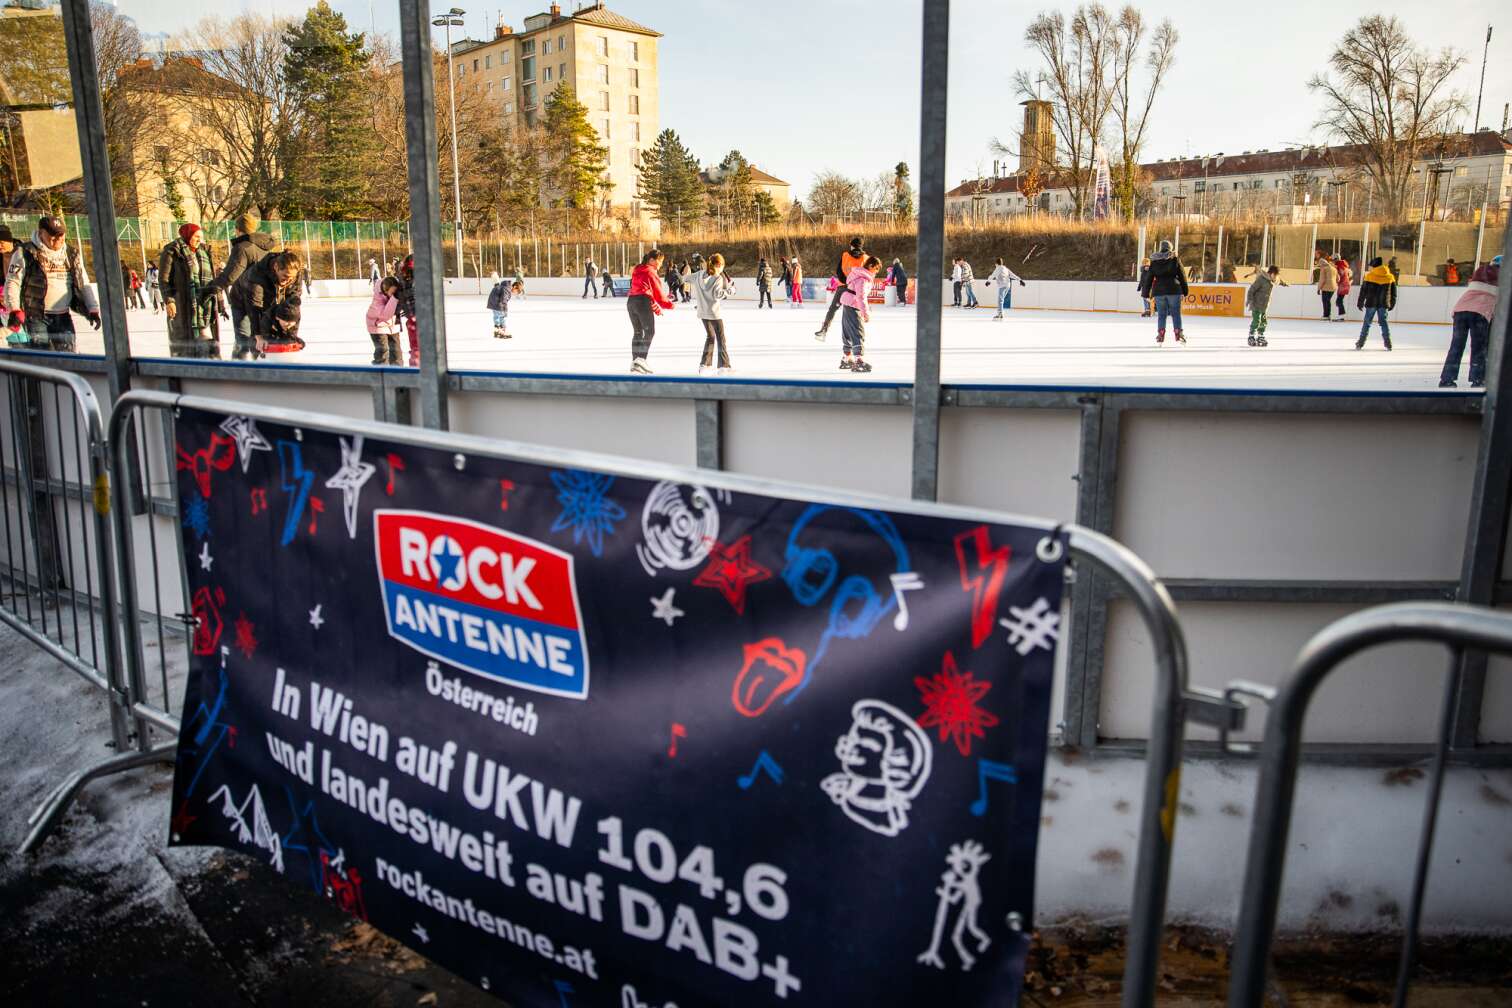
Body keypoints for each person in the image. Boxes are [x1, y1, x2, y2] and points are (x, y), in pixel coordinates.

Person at [4, 216, 100, 352]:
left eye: (61, 236)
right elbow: (13, 282)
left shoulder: (71, 254)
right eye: (52, 236)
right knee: (43, 356)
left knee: (68, 355)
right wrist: (14, 309)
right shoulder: (25, 252)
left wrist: (92, 308)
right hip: (36, 316)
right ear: (41, 233)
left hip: (63, 315)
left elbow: (83, 281)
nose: (58, 240)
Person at [210, 213, 276, 360]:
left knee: (243, 338)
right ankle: (259, 366)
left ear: (238, 229)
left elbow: (229, 276)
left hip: (242, 297)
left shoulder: (242, 247)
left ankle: (239, 369)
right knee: (258, 336)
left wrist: (209, 288)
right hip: (262, 298)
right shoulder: (265, 246)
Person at [158, 223, 224, 358]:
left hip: (205, 305)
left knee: (208, 342)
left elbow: (212, 279)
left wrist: (220, 300)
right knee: (185, 344)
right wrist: (169, 300)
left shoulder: (204, 251)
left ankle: (210, 369)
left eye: (201, 237)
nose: (199, 240)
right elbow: (164, 279)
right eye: (196, 236)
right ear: (187, 235)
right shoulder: (173, 251)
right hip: (182, 304)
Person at [1439, 256, 1499, 387]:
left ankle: (1447, 379)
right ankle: (1477, 379)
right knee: (1479, 347)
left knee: (1456, 346)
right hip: (1480, 314)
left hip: (1460, 311)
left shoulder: (1480, 272)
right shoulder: (1502, 278)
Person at [234, 250, 305, 357]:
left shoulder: (296, 273)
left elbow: (294, 304)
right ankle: (242, 364)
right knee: (245, 337)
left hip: (269, 298)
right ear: (276, 267)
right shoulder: (257, 275)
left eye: (291, 278)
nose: (288, 280)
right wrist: (258, 337)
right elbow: (254, 308)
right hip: (241, 300)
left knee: (276, 326)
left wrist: (292, 334)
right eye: (285, 276)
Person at [627, 249, 675, 374]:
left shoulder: (638, 269)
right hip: (642, 302)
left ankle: (635, 361)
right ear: (652, 260)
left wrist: (654, 306)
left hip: (631, 302)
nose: (660, 265)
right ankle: (641, 360)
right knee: (650, 332)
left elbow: (642, 289)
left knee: (638, 332)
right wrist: (669, 305)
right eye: (659, 262)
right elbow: (658, 293)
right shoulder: (650, 271)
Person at [815, 237, 868, 341]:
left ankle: (824, 329)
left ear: (852, 245)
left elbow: (839, 271)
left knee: (833, 308)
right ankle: (858, 336)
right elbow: (868, 274)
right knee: (856, 311)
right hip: (857, 289)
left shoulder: (845, 255)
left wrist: (847, 281)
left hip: (843, 286)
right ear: (861, 246)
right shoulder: (866, 258)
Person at [1138, 239, 1188, 345]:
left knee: (1161, 315)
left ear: (1161, 248)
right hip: (1174, 290)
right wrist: (1185, 291)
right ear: (1170, 248)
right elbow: (1182, 275)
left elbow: (1149, 278)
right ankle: (1178, 333)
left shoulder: (1154, 261)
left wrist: (1145, 293)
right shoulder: (1174, 259)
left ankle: (1161, 334)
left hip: (1159, 291)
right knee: (1175, 313)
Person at [692, 252, 733, 375]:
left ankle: (705, 365)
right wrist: (730, 291)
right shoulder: (718, 278)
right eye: (722, 266)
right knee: (721, 338)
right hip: (714, 313)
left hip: (703, 313)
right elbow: (717, 295)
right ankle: (724, 366)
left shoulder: (701, 275)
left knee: (711, 337)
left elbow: (686, 278)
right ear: (719, 265)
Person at [839, 255, 882, 373]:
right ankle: (858, 360)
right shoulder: (863, 278)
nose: (877, 272)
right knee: (858, 331)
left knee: (847, 330)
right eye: (876, 268)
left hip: (848, 302)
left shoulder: (858, 275)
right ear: (870, 266)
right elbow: (861, 296)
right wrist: (865, 313)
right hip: (853, 304)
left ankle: (847, 358)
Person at [1354, 256, 1396, 351]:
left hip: (1371, 303)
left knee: (1367, 323)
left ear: (1374, 266)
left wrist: (1360, 302)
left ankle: (1360, 343)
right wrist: (1392, 303)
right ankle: (1388, 343)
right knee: (1383, 323)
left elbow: (1363, 291)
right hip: (1383, 304)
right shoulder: (1390, 277)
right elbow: (1394, 293)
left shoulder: (1369, 276)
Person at [1245, 266, 1283, 347]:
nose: (1276, 277)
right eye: (1276, 275)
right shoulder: (1261, 279)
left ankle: (1260, 336)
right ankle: (1251, 336)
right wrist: (1249, 300)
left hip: (1264, 305)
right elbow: (1252, 289)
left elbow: (1279, 281)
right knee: (1256, 321)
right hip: (1256, 304)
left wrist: (1285, 284)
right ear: (1272, 274)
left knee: (1263, 321)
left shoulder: (1272, 280)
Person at [366, 276, 402, 364]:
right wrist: (395, 298)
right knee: (382, 351)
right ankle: (380, 372)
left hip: (393, 326)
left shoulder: (395, 295)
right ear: (385, 291)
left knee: (396, 352)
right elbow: (385, 315)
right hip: (377, 326)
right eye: (392, 292)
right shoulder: (377, 300)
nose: (394, 294)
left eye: (395, 292)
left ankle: (398, 373)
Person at [487, 275, 522, 340]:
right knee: (502, 317)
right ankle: (502, 331)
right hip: (497, 303)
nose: (515, 293)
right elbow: (503, 301)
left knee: (497, 316)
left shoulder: (505, 287)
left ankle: (497, 331)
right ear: (514, 287)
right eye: (516, 292)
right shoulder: (507, 289)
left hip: (493, 302)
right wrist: (505, 311)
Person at [1314, 251, 1337, 320]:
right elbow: (1338, 278)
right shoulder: (1333, 268)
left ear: (1321, 264)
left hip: (1326, 288)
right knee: (1328, 301)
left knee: (1325, 301)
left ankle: (1326, 315)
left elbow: (1322, 280)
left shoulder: (1324, 269)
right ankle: (1328, 315)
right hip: (1333, 287)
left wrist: (1319, 289)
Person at [1333, 255, 1351, 322]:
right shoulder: (1343, 266)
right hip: (1344, 285)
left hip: (1343, 285)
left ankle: (1341, 316)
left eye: (1334, 260)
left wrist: (1337, 280)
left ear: (1336, 259)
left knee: (1339, 301)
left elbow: (1340, 275)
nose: (1333, 261)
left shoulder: (1340, 266)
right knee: (1339, 301)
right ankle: (1341, 316)